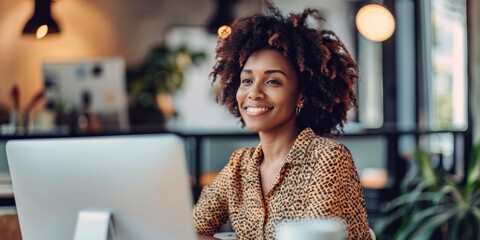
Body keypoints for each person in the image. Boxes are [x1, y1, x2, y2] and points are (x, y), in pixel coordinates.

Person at [193, 1, 372, 239]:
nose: (253, 93)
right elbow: (191, 229)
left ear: (300, 96)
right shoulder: (240, 166)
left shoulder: (327, 158)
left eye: (272, 81)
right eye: (246, 80)